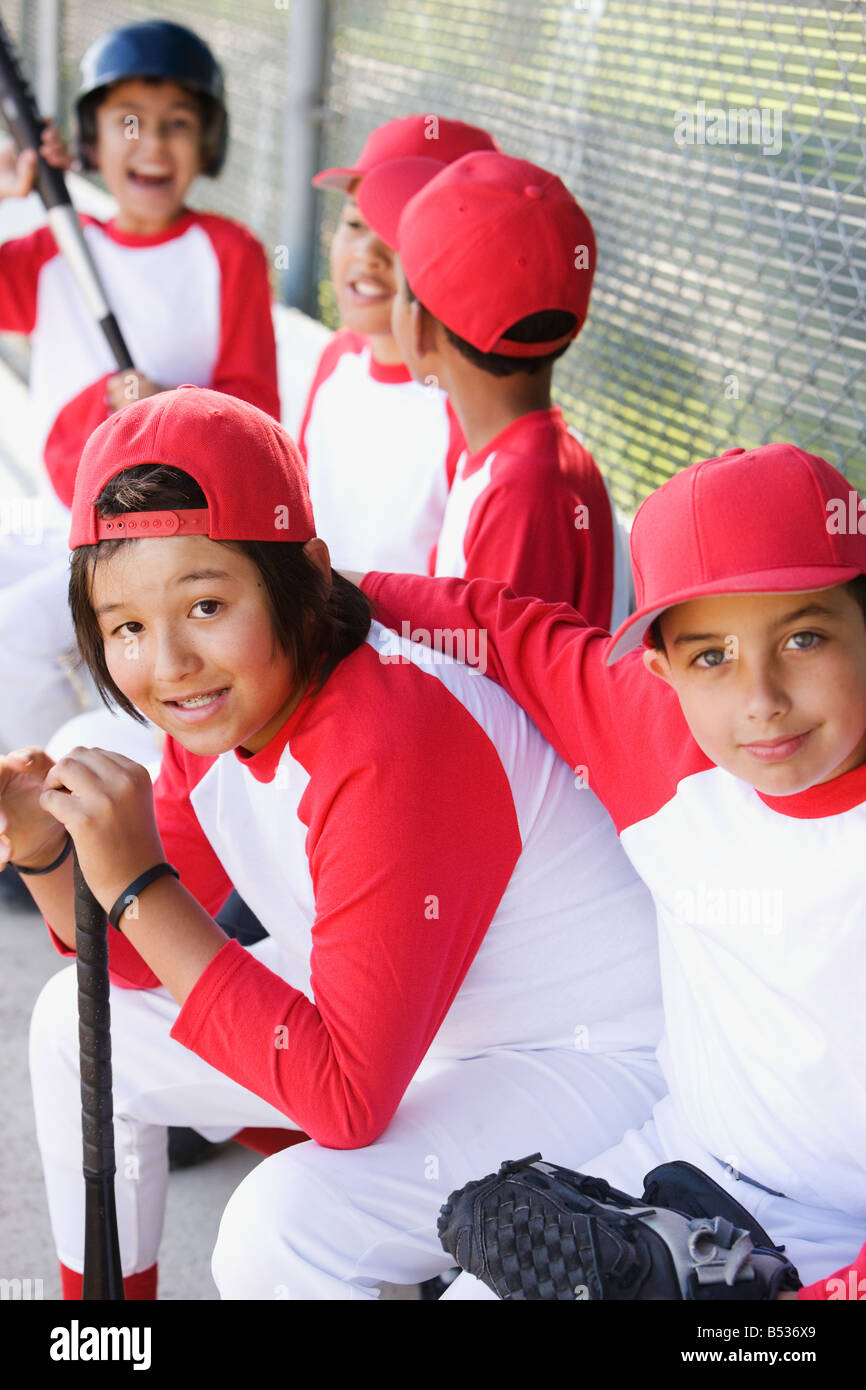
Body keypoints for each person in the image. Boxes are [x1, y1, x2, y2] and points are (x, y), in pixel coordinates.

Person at [2, 386, 665, 1299]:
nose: (167, 665)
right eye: (126, 628)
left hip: (585, 1062)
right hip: (413, 1023)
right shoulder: (222, 703)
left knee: (281, 1231)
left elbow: (346, 1102)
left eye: (204, 606)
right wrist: (47, 850)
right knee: (77, 1031)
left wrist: (138, 881)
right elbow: (132, 962)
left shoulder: (389, 726)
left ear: (307, 573)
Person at [357, 441, 866, 1294]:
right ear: (662, 670)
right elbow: (504, 631)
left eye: (804, 637)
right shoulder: (663, 738)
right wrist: (310, 579)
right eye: (713, 655)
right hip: (692, 1173)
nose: (761, 697)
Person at [0, 18, 279, 750]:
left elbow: (263, 416)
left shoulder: (229, 253)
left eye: (177, 125)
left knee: (14, 644)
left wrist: (171, 406)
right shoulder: (52, 250)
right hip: (65, 521)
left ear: (207, 144)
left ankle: (58, 819)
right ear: (89, 141)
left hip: (166, 538)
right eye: (129, 123)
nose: (152, 143)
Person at [355, 149, 630, 629]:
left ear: (418, 327)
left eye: (402, 287)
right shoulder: (515, 457)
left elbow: (493, 688)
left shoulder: (523, 491)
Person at [298, 115, 498, 575]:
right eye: (353, 223)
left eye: (398, 231)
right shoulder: (338, 357)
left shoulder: (468, 405)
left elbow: (463, 601)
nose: (368, 252)